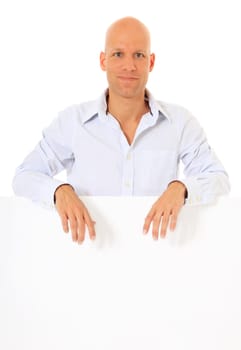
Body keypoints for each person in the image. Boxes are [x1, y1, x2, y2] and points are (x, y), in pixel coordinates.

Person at [12, 16, 230, 244]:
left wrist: (182, 187)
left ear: (151, 62)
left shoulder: (180, 122)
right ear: (103, 60)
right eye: (118, 54)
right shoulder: (72, 122)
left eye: (139, 55)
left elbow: (218, 179)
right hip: (87, 259)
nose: (129, 66)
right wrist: (59, 191)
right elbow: (24, 177)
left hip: (160, 261)